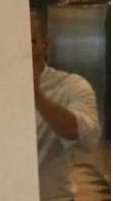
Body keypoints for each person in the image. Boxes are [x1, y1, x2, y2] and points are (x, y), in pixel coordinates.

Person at [31, 10, 101, 201]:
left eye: (31, 42)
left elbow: (85, 137)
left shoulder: (71, 86)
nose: (24, 51)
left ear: (45, 44)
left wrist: (37, 97)